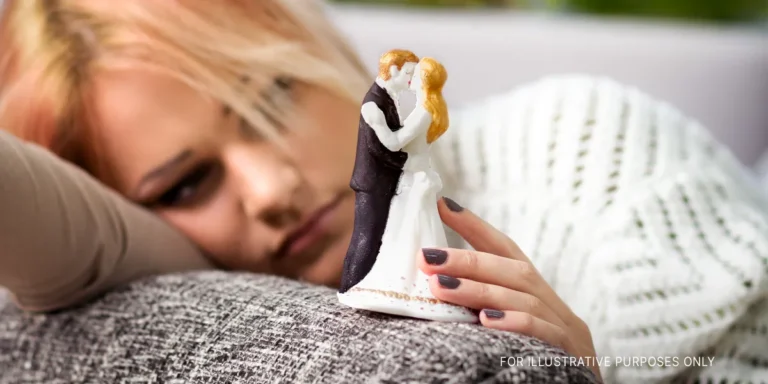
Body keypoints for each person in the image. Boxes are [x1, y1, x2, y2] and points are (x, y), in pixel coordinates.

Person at [1, 1, 767, 383]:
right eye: (188, 183)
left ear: (317, 51)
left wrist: (590, 370)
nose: (272, 189)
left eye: (273, 99)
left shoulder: (588, 142)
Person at [339, 57, 476, 323]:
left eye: (417, 74)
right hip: (411, 175)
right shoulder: (424, 107)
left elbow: (395, 142)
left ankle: (413, 283)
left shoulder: (423, 110)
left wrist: (379, 123)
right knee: (407, 229)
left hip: (413, 178)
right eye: (410, 73)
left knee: (409, 230)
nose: (412, 79)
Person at [338, 49, 415, 295]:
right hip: (371, 183)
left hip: (382, 179)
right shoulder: (372, 105)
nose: (411, 81)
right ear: (393, 70)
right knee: (367, 237)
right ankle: (352, 286)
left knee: (377, 235)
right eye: (409, 74)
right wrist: (413, 141)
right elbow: (388, 144)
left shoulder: (388, 100)